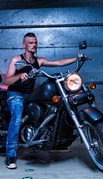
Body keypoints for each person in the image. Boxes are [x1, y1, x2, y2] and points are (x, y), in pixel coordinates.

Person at [4, 32, 78, 169]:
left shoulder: (39, 61)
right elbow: (7, 80)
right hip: (16, 94)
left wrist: (77, 58)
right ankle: (10, 156)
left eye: (35, 42)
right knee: (17, 118)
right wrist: (20, 75)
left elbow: (58, 62)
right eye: (31, 43)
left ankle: (50, 141)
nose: (34, 45)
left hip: (30, 95)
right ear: (24, 45)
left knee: (49, 108)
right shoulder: (16, 60)